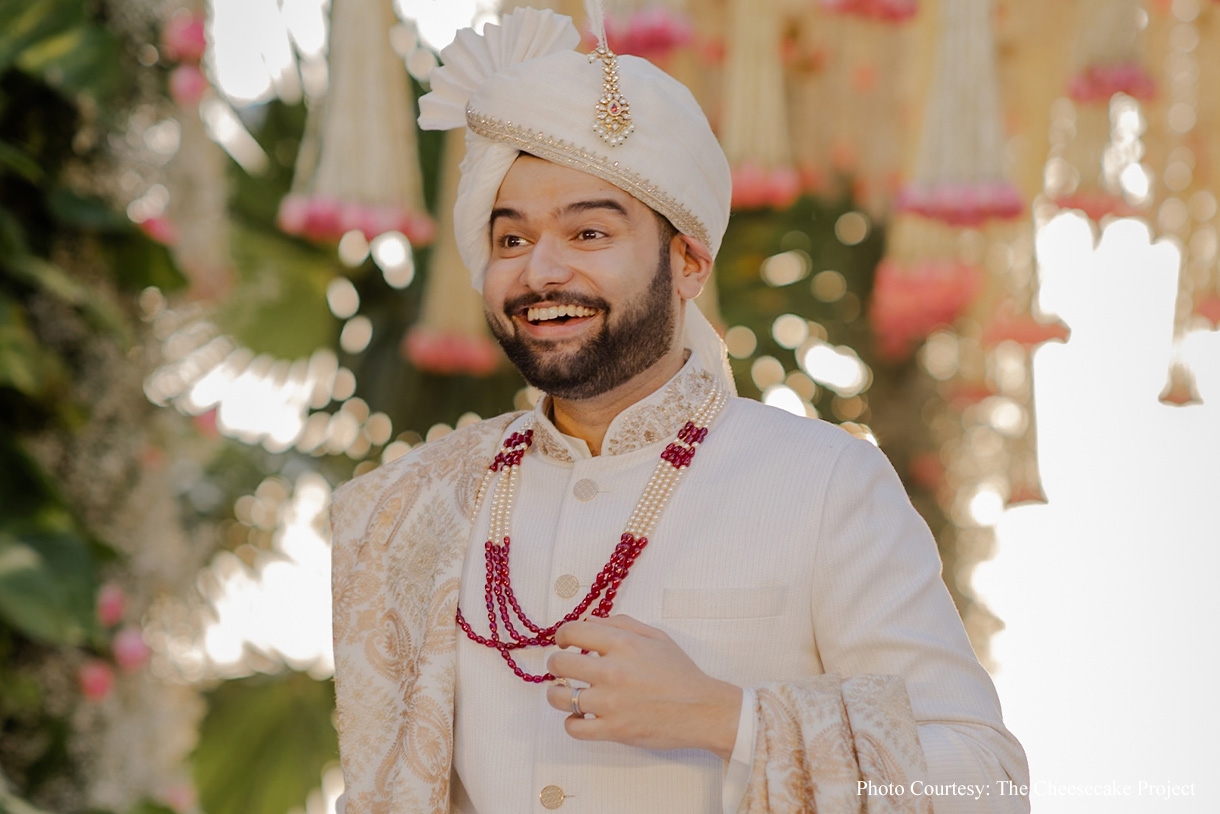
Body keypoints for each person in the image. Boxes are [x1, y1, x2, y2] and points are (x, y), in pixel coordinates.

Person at [329, 6, 1029, 813]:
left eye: (589, 234)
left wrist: (723, 718)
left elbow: (987, 781)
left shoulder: (823, 483)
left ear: (690, 261)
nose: (541, 271)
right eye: (510, 240)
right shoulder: (411, 508)